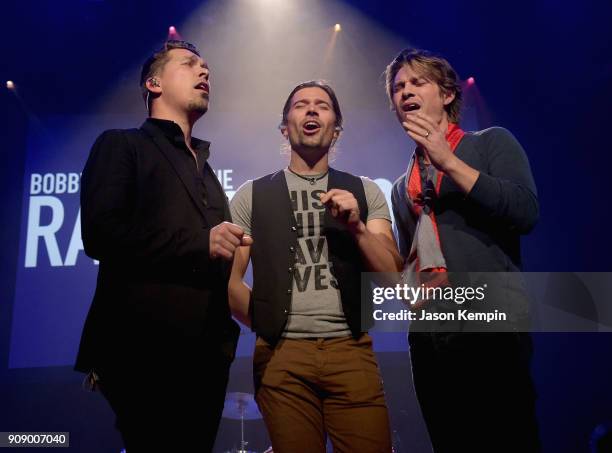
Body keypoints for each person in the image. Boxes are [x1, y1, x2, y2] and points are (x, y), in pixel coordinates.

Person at [75, 40, 248, 452]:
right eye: (190, 64)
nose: (204, 72)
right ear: (153, 83)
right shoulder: (122, 144)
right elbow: (100, 234)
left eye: (206, 66)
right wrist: (199, 242)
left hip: (205, 354)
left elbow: (214, 260)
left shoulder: (206, 173)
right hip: (143, 349)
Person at [228, 80, 402, 453]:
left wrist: (356, 226)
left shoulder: (365, 191)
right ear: (284, 126)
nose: (310, 110)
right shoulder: (251, 195)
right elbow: (229, 283)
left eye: (321, 106)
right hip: (281, 358)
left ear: (335, 128)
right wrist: (268, 326)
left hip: (351, 350)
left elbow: (393, 275)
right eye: (300, 105)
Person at [385, 48, 541, 452]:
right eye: (399, 87)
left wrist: (449, 162)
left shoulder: (490, 143)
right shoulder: (403, 187)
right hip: (430, 333)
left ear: (448, 94)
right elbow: (410, 261)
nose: (406, 92)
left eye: (417, 82)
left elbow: (525, 211)